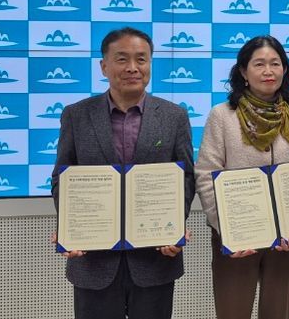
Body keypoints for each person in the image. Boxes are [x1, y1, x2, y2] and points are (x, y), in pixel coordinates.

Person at [51, 27, 195, 319]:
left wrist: (173, 227)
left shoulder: (174, 116)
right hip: (93, 261)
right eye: (122, 59)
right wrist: (70, 227)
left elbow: (186, 179)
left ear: (150, 63)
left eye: (141, 59)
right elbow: (62, 179)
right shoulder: (76, 115)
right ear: (104, 66)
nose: (132, 67)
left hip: (155, 258)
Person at [195, 35, 289, 319]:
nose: (268, 71)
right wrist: (227, 230)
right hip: (237, 240)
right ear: (243, 71)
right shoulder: (222, 116)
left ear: (285, 69)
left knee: (278, 313)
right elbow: (206, 175)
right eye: (259, 64)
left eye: (275, 63)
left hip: (286, 240)